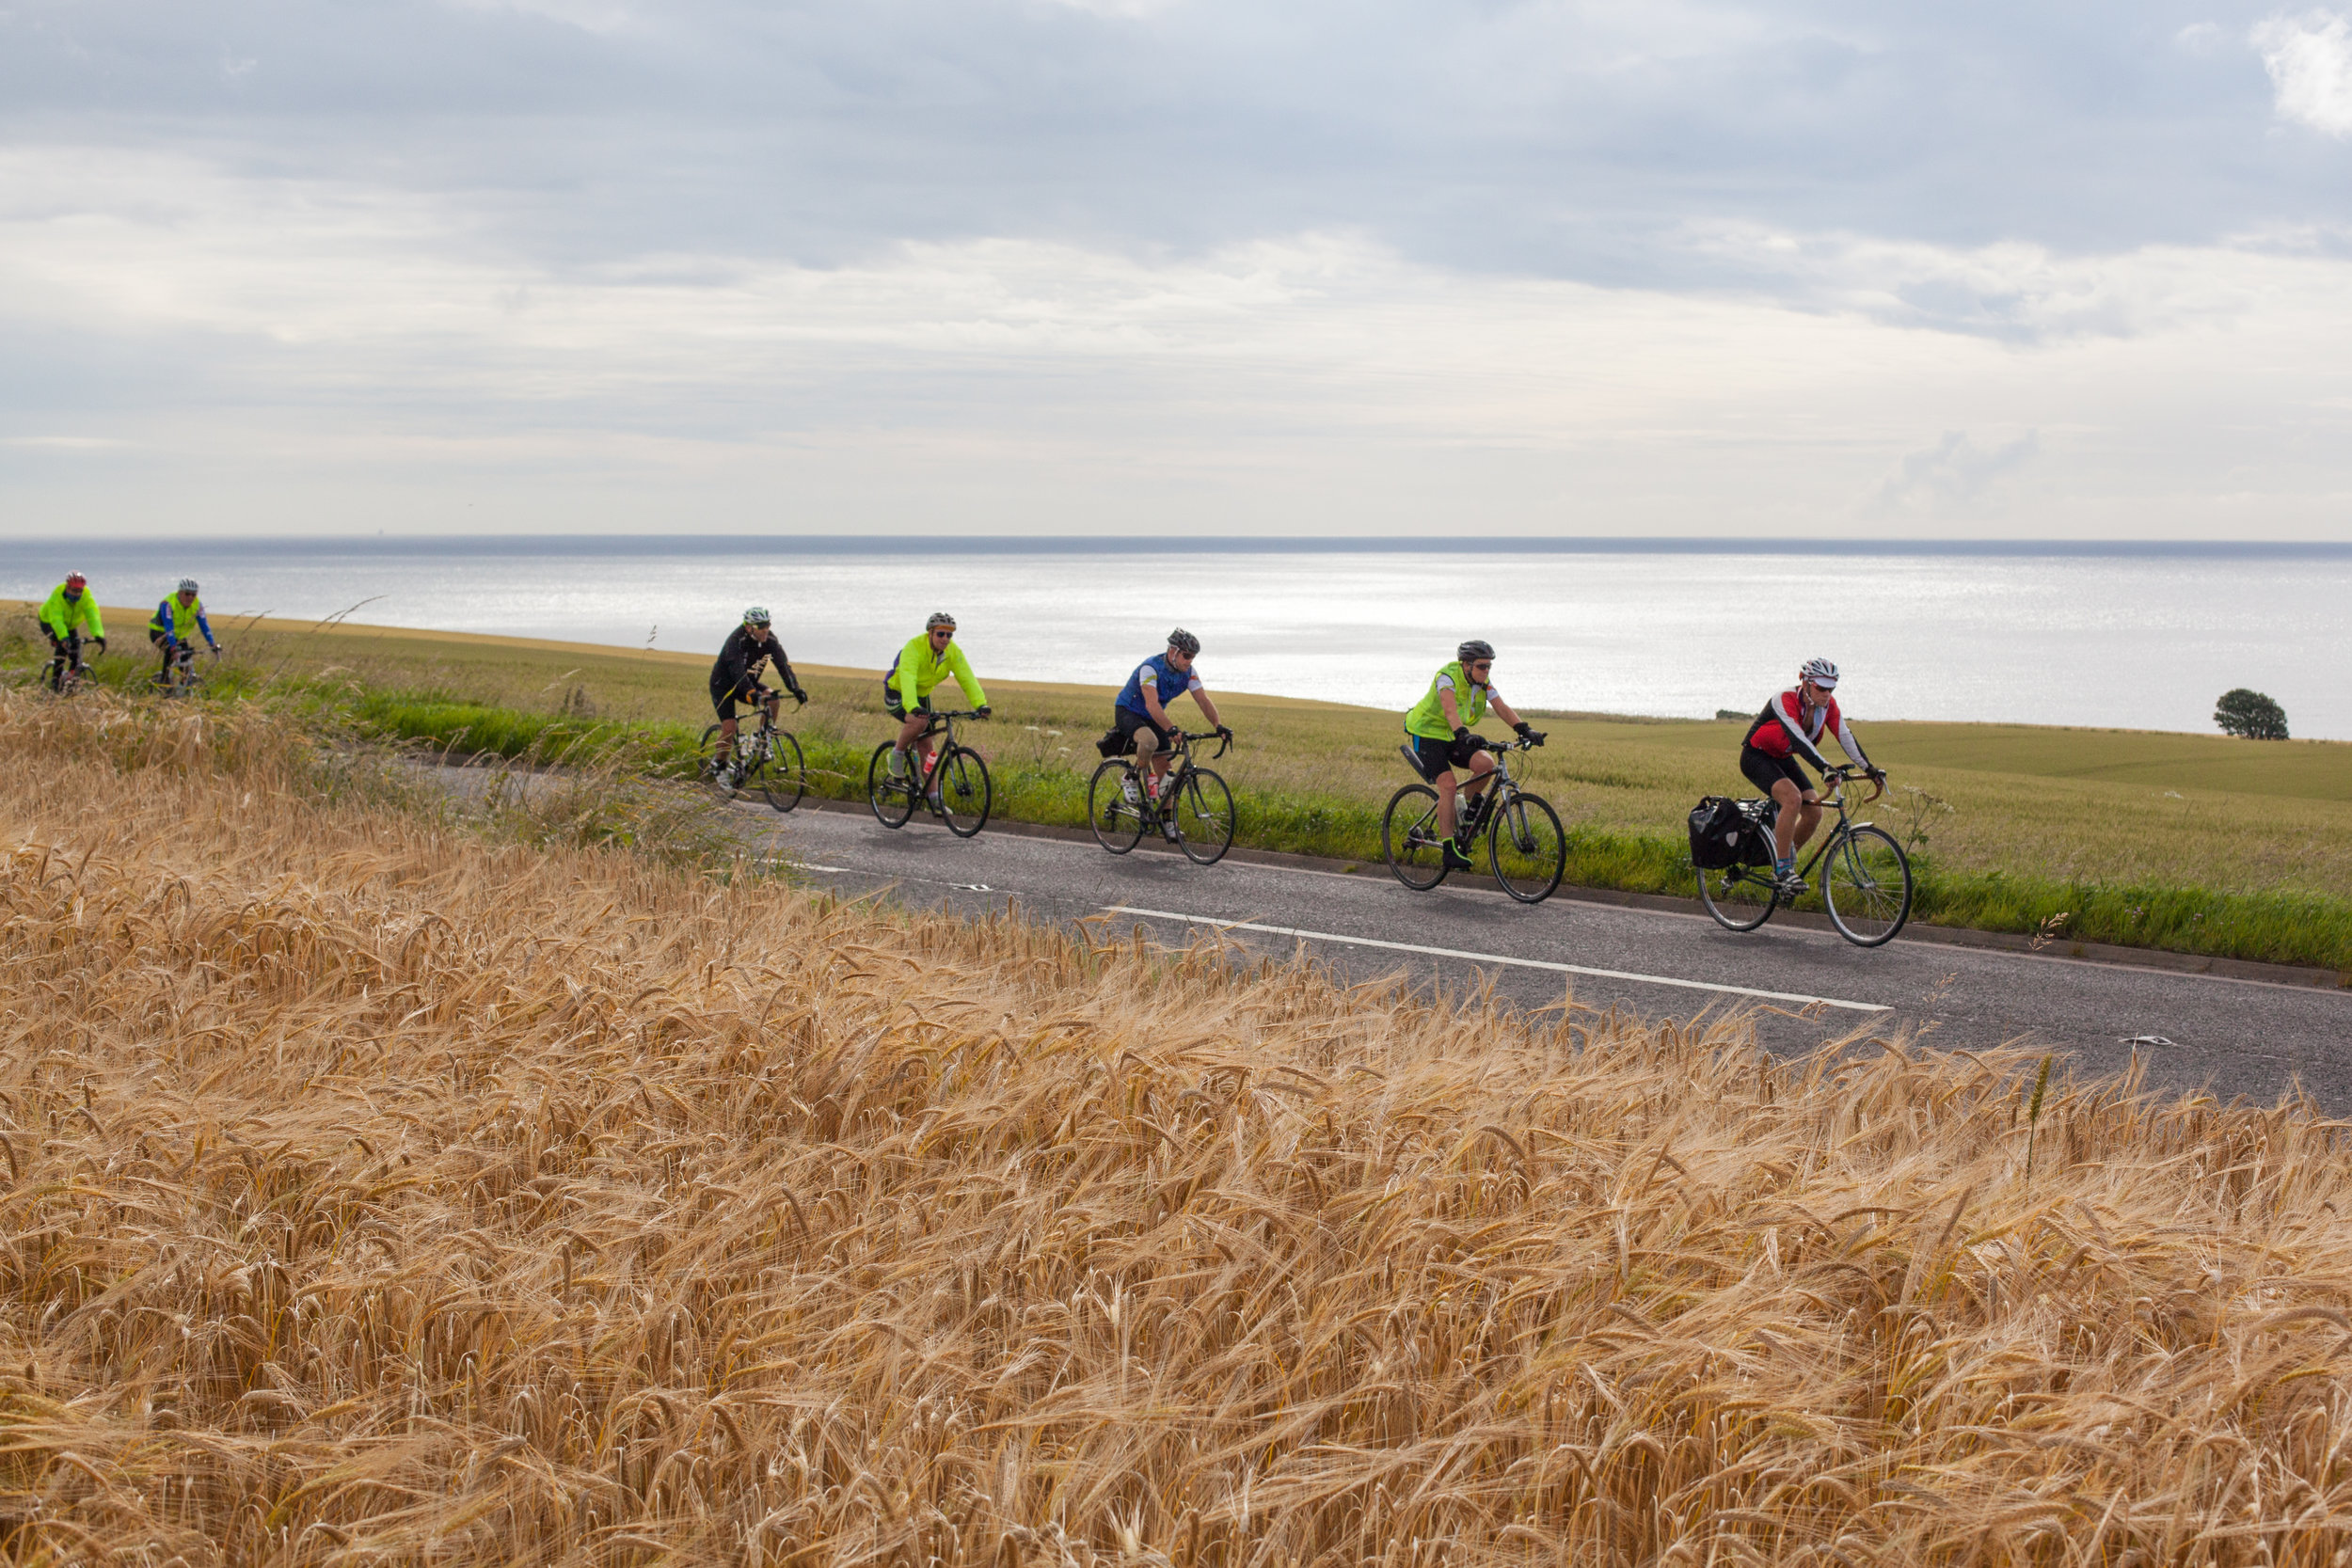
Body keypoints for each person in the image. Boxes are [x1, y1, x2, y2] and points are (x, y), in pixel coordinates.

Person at [1740, 657, 1885, 895]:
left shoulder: (1828, 706)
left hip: (1783, 757)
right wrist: (1825, 768)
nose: (1827, 693)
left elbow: (1845, 736)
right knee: (1792, 799)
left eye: (1831, 688)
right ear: (1805, 682)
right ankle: (1783, 870)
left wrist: (1869, 769)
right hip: (1756, 756)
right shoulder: (1784, 699)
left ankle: (1783, 863)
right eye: (1821, 687)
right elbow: (1797, 737)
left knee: (1814, 812)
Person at [1402, 640, 1544, 871]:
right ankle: (1448, 851)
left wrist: (1525, 729)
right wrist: (1463, 733)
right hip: (1427, 733)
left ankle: (1465, 815)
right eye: (1482, 666)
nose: (1486, 671)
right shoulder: (1447, 678)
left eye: (1489, 666)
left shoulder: (1483, 683)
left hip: (1452, 734)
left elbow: (1501, 707)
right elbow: (1449, 709)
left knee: (1486, 764)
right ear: (1466, 665)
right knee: (1448, 785)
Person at [1114, 628, 1232, 840]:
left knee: (1166, 773)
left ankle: (1168, 822)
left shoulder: (1189, 672)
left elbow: (1203, 700)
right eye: (1186, 656)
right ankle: (1130, 776)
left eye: (1192, 657)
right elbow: (1151, 703)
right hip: (1129, 712)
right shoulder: (1150, 668)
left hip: (1153, 717)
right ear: (1173, 651)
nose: (1189, 661)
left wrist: (1218, 725)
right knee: (1149, 741)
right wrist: (1170, 729)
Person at [884, 612, 990, 801]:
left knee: (928, 747)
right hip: (898, 692)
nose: (945, 639)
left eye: (949, 635)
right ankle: (897, 754)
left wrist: (980, 704)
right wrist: (912, 706)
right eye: (941, 634)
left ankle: (934, 798)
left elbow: (967, 678)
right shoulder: (914, 647)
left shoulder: (952, 652)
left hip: (922, 696)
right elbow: (908, 678)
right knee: (918, 724)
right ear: (930, 633)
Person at [707, 608, 806, 784]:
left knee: (773, 699)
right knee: (729, 728)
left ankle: (761, 740)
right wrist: (751, 692)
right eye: (761, 626)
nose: (765, 629)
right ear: (749, 628)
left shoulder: (770, 640)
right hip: (724, 686)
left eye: (768, 624)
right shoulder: (735, 641)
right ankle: (719, 764)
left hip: (748, 684)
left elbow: (783, 665)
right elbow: (737, 671)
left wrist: (795, 689)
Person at [38, 572, 105, 691]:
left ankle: (71, 681)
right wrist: (63, 637)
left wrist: (99, 635)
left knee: (75, 651)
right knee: (62, 647)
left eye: (80, 591)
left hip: (69, 625)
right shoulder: (57, 596)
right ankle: (55, 682)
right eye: (74, 591)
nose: (77, 594)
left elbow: (93, 615)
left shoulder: (86, 596)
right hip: (49, 622)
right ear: (67, 587)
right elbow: (56, 619)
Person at [148, 578, 219, 686]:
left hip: (178, 636)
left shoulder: (197, 605)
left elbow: (204, 625)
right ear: (180, 593)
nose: (190, 597)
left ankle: (183, 687)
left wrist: (212, 644)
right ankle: (165, 680)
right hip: (159, 633)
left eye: (193, 595)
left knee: (186, 660)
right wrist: (173, 647)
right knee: (170, 652)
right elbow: (168, 626)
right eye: (187, 594)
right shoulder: (168, 603)